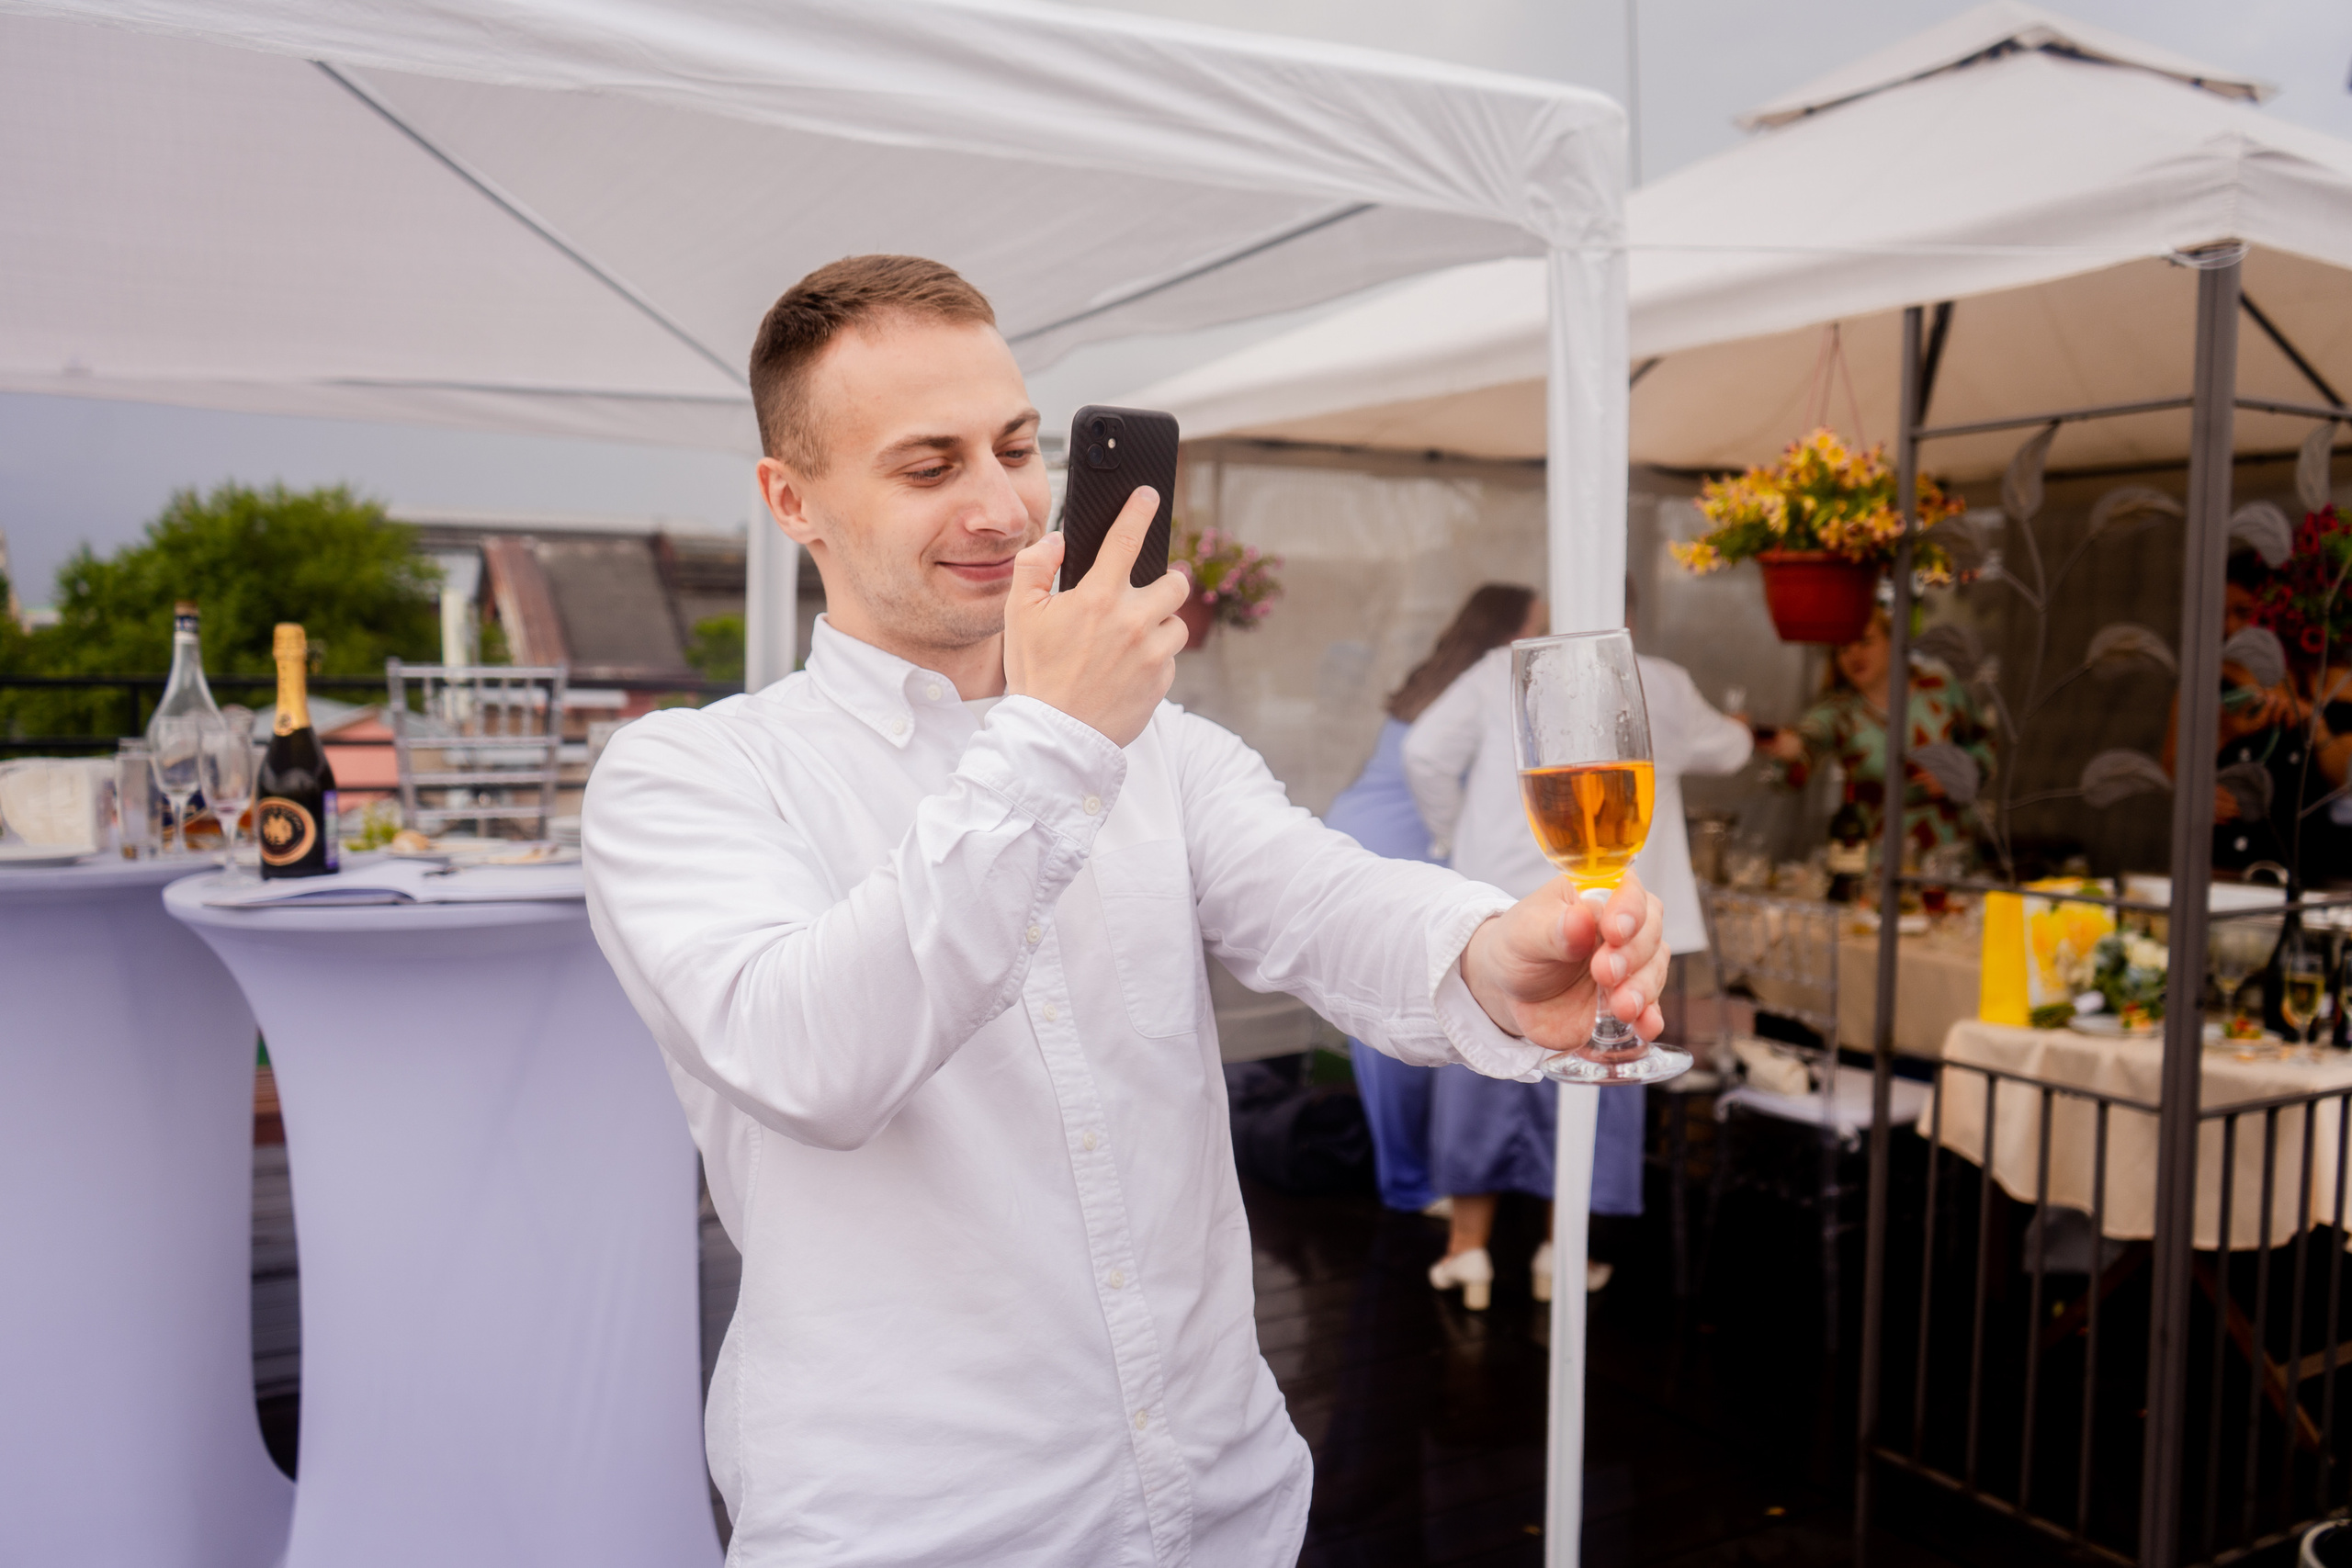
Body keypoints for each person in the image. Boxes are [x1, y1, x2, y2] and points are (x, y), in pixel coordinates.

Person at [581, 254, 1671, 1566]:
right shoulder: (688, 775)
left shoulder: (1160, 750)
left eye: (1018, 445)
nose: (1002, 504)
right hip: (919, 1526)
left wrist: (1493, 952)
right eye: (929, 466)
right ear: (790, 498)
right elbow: (815, 1059)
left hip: (1220, 1496)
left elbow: (1328, 900)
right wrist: (1050, 734)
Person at [1402, 600, 1752, 1304]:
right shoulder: (1659, 681)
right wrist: (1751, 729)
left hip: (1497, 888)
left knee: (1485, 1059)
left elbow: (1424, 752)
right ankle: (1561, 1253)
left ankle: (1469, 1250)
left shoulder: (1498, 670)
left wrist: (1451, 838)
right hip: (1616, 903)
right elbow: (1732, 749)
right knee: (1604, 1059)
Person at [1322, 583, 1540, 1216]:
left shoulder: (1435, 676)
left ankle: (1409, 1173)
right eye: (1536, 624)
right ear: (1505, 634)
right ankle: (1410, 1183)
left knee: (1377, 1019)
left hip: (1357, 835)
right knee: (1397, 1022)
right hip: (1400, 851)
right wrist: (1448, 840)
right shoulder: (1482, 687)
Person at [1762, 606, 1995, 865]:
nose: (1854, 655)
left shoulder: (1940, 688)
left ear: (1893, 642)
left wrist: (1962, 770)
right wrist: (1790, 751)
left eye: (1865, 641)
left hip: (1947, 857)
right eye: (1843, 648)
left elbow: (1986, 745)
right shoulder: (1838, 711)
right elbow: (1802, 750)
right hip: (1874, 864)